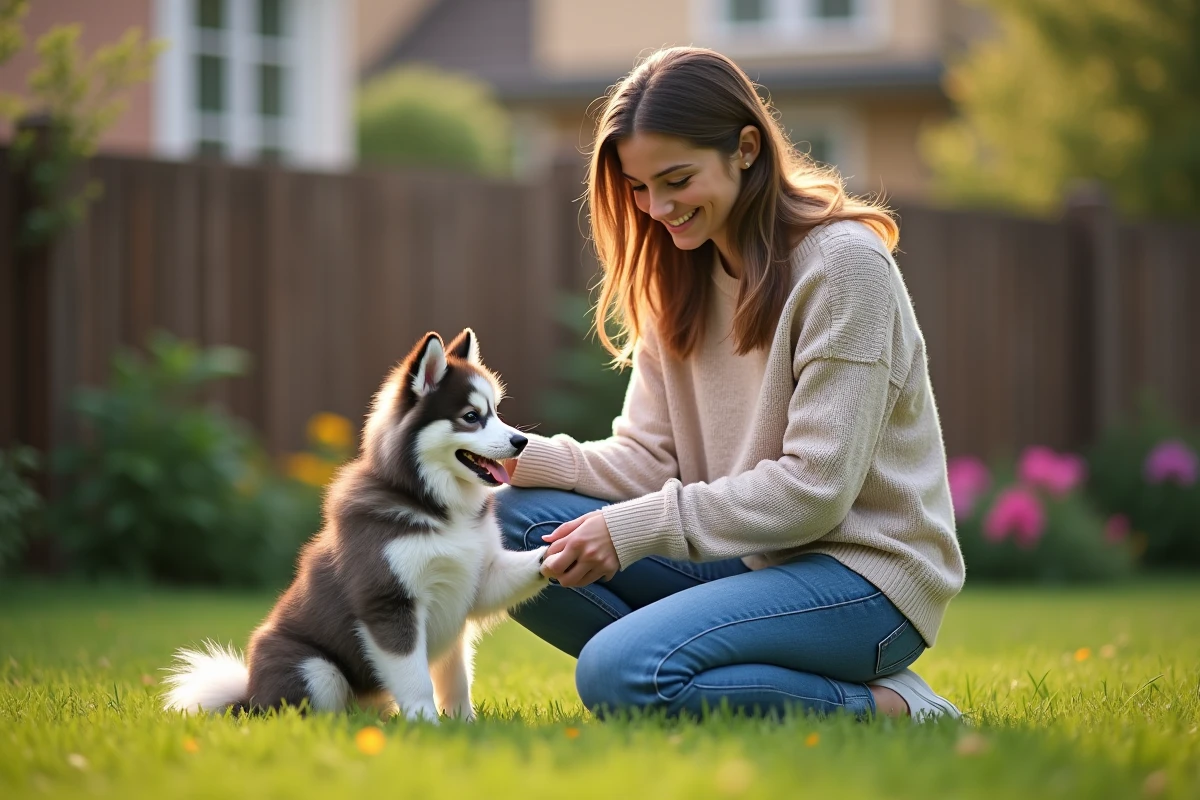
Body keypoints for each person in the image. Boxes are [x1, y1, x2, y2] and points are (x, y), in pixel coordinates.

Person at [497, 46, 965, 722]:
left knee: (620, 673)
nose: (655, 207)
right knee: (503, 524)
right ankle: (701, 666)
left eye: (677, 179)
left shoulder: (843, 268)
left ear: (746, 148)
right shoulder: (678, 274)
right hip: (749, 561)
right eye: (637, 186)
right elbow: (649, 459)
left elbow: (814, 493)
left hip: (867, 581)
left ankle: (893, 708)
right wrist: (515, 459)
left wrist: (632, 529)